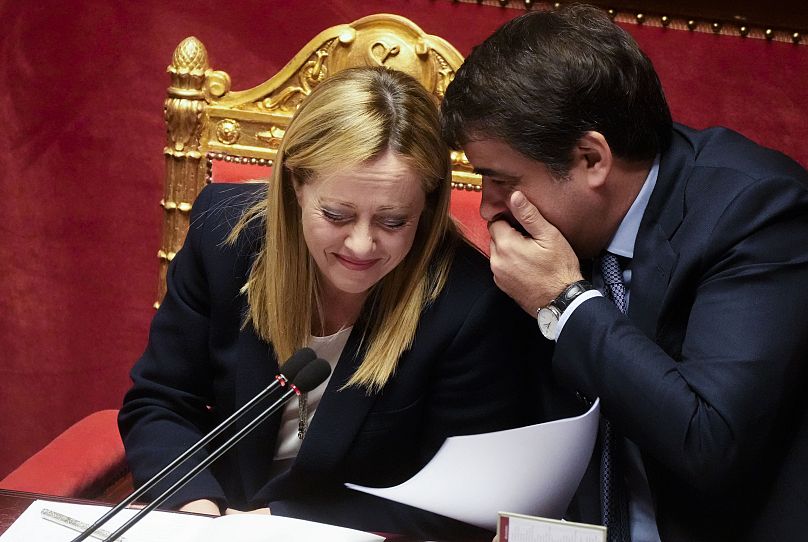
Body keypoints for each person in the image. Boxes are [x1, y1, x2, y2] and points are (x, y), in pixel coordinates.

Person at [118, 66, 549, 540]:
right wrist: (197, 517)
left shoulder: (472, 305)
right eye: (337, 214)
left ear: (426, 206)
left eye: (393, 221)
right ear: (296, 185)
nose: (361, 246)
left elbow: (456, 500)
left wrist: (273, 527)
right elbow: (161, 402)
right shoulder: (223, 238)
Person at [441, 4, 808, 542]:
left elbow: (708, 440)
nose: (489, 207)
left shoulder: (756, 211)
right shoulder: (545, 238)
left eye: (500, 179)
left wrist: (566, 302)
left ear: (592, 159)